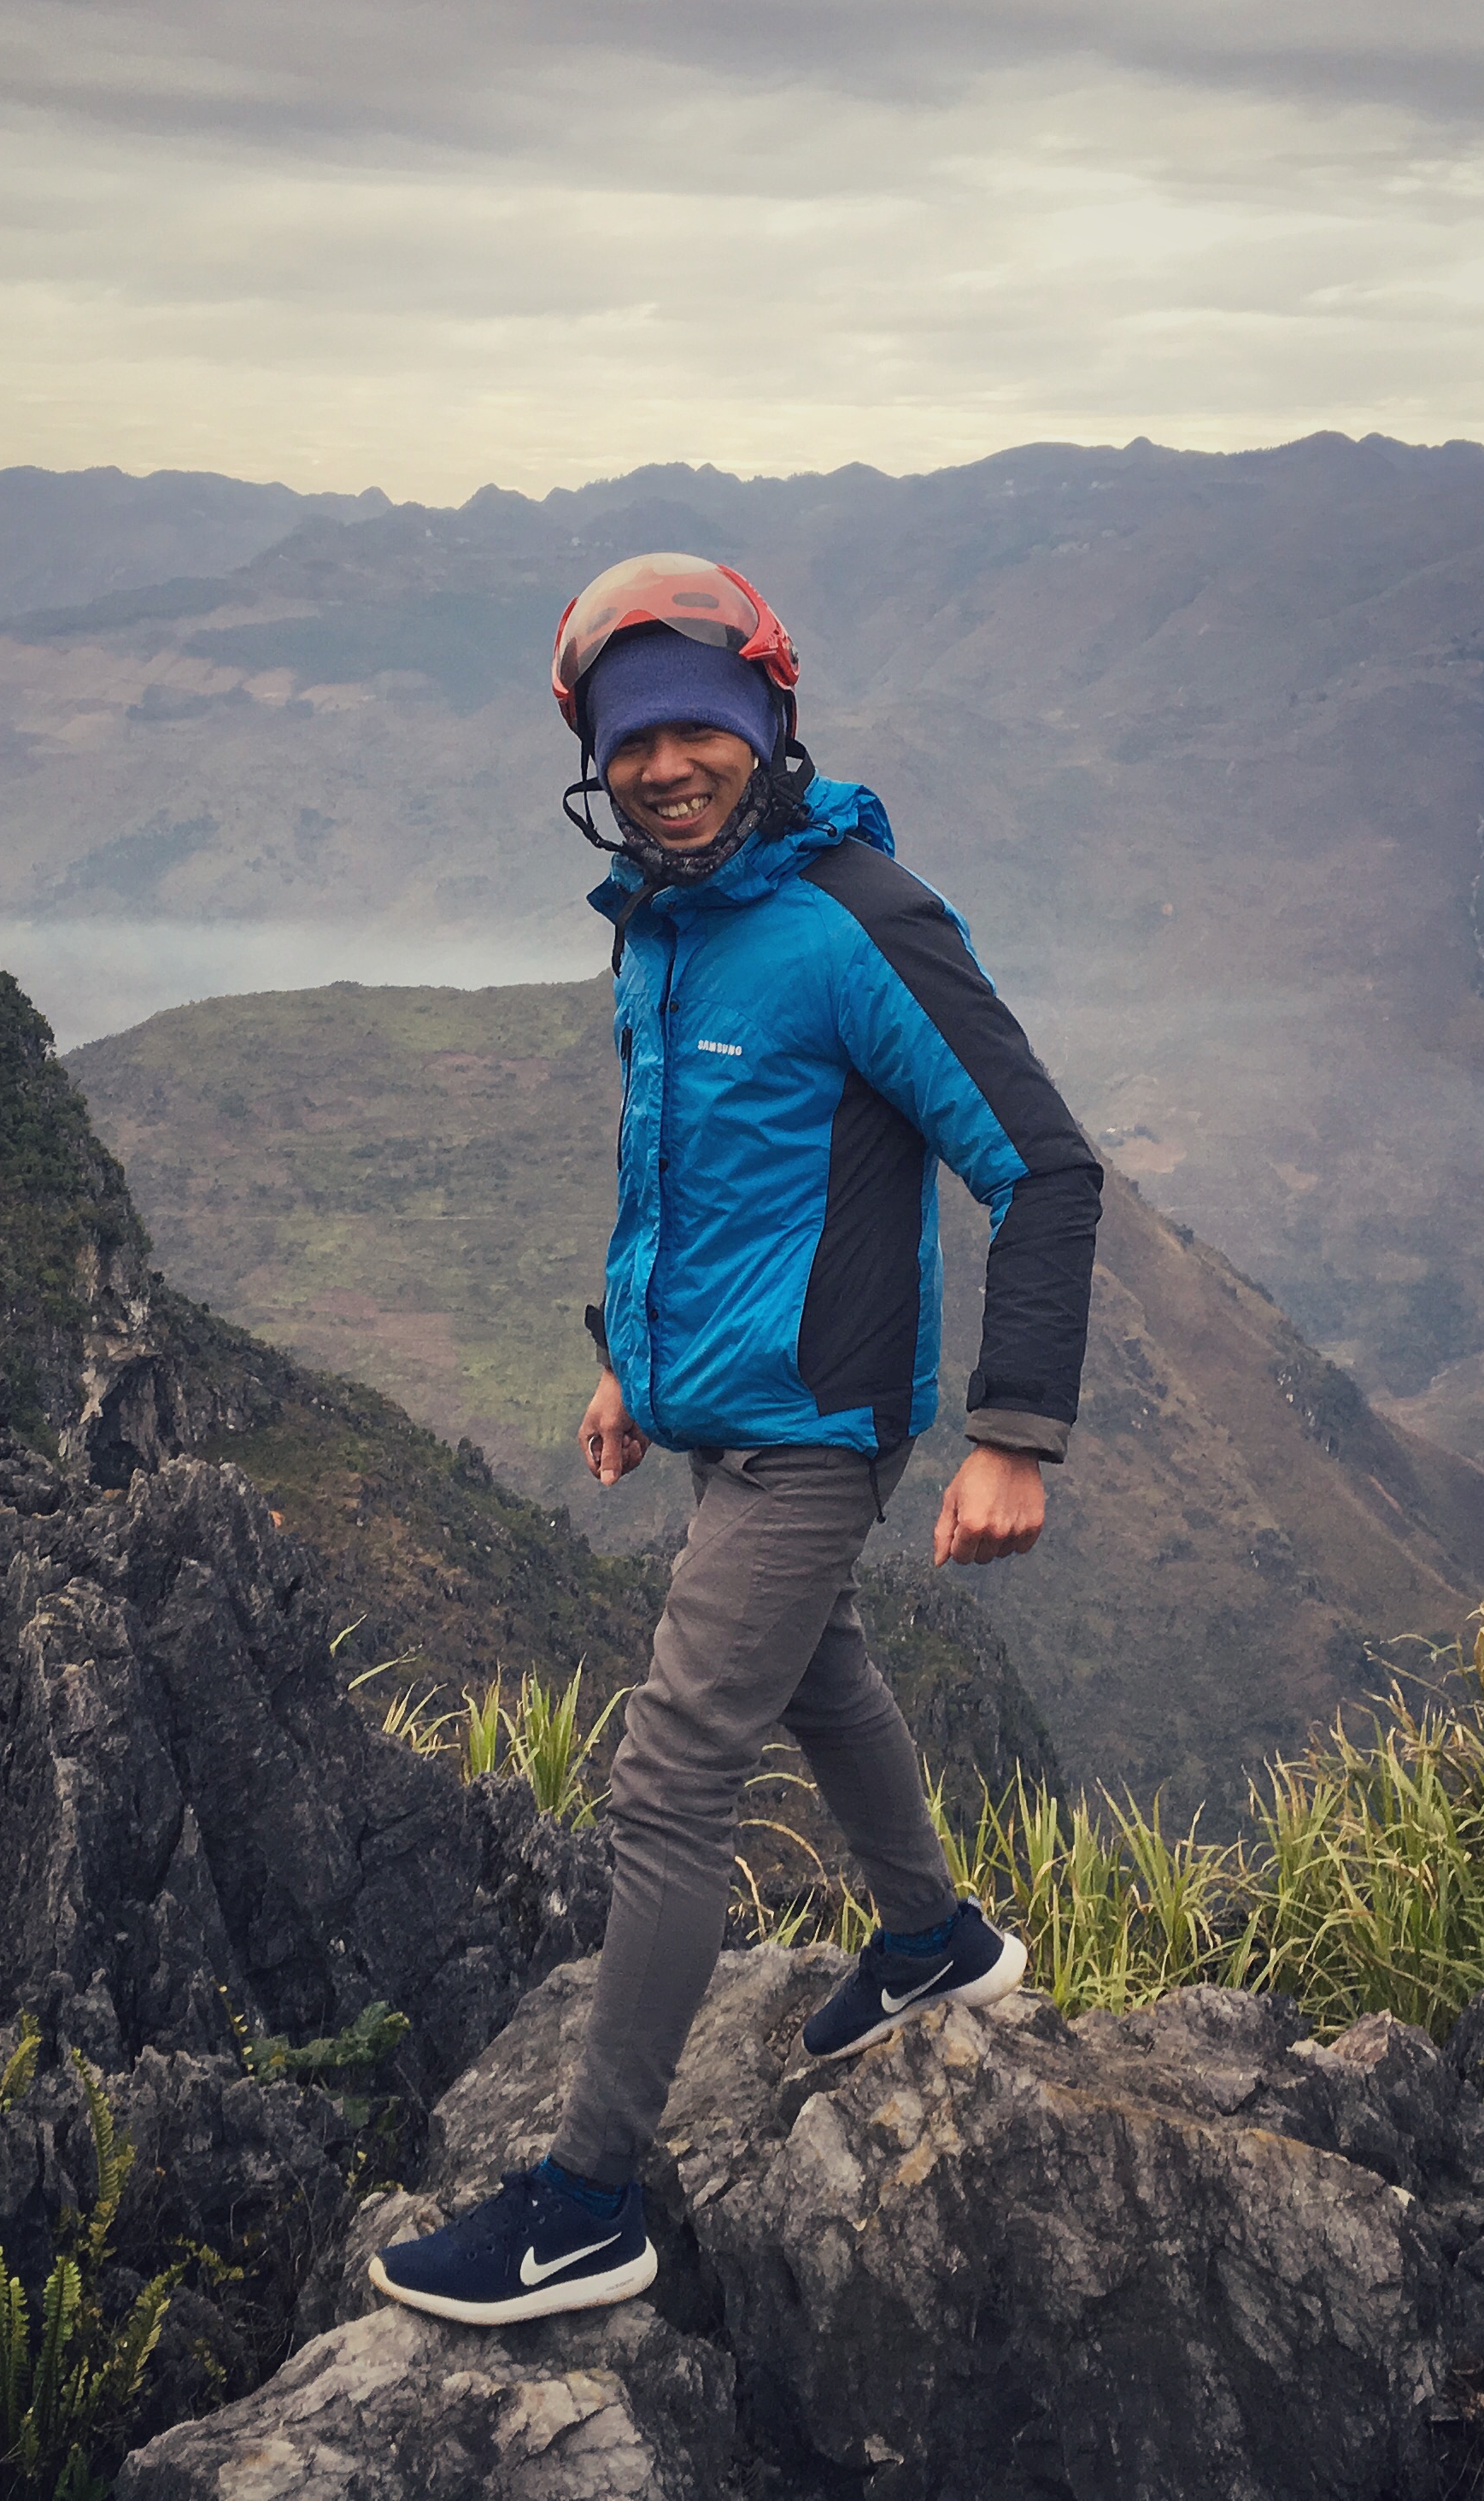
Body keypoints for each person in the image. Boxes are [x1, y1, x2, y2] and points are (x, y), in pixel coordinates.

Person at [368, 553, 1104, 2328]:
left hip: (817, 1428)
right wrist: (629, 1361)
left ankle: (586, 2204)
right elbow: (680, 1182)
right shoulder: (669, 923)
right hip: (729, 1411)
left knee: (673, 1770)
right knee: (818, 1670)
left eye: (698, 726)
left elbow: (1046, 1166)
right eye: (632, 740)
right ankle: (936, 1944)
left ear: (769, 721)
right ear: (592, 761)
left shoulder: (855, 920)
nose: (667, 764)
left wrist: (1013, 1435)